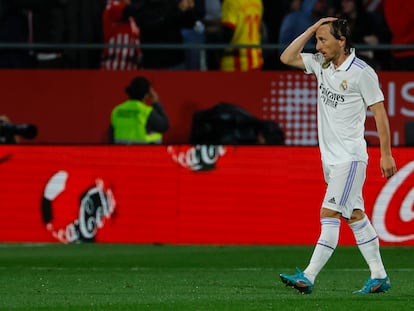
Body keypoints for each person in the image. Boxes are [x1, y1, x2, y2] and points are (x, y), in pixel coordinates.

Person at [278, 17, 397, 294]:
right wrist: (311, 28)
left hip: (350, 158)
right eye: (317, 40)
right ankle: (379, 276)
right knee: (355, 215)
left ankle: (308, 276)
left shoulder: (361, 72)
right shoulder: (322, 65)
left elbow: (379, 112)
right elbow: (286, 57)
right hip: (330, 159)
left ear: (341, 41)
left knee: (328, 212)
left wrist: (386, 154)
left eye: (323, 40)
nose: (318, 46)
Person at [110, 76, 169, 144]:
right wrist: (156, 103)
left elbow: (111, 135)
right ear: (147, 94)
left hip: (121, 152)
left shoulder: (117, 110)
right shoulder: (145, 111)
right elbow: (164, 126)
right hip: (141, 152)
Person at [220, 0, 264, 72]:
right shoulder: (257, 1)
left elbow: (228, 31)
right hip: (256, 59)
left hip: (234, 62)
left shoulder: (231, 1)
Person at [101, 0, 142, 70]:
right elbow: (130, 10)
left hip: (131, 66)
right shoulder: (112, 6)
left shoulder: (131, 19)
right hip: (113, 66)